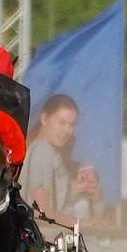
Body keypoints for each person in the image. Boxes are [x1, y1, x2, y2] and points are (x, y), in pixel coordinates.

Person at [22, 94, 101, 223]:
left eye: (72, 125)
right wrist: (88, 224)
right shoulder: (42, 152)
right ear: (44, 119)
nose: (67, 130)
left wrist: (73, 190)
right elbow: (40, 212)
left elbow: (52, 205)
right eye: (61, 123)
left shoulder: (47, 153)